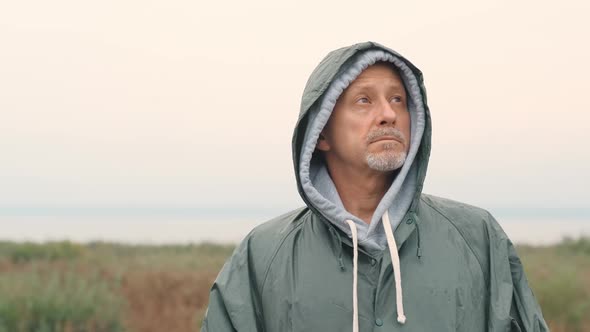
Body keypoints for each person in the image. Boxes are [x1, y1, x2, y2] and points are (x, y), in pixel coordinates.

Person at [201, 41, 549, 331]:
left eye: (398, 99)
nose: (388, 114)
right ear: (320, 132)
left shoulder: (478, 238)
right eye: (364, 100)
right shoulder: (264, 255)